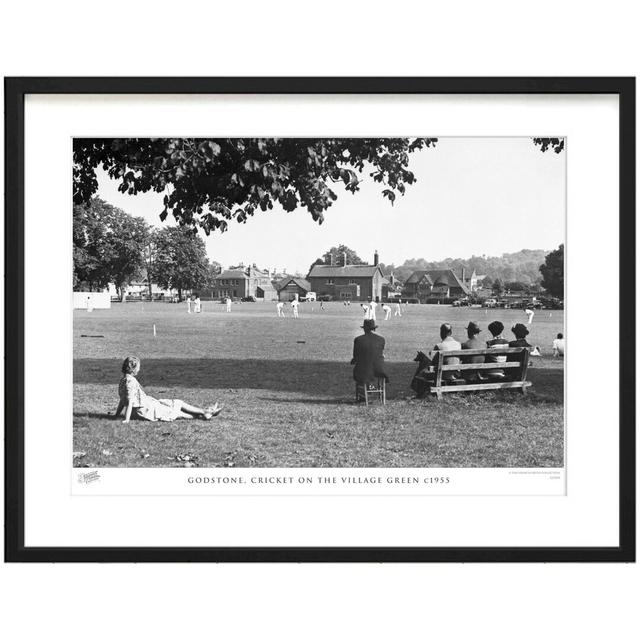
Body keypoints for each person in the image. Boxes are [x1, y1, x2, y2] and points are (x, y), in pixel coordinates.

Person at [116, 356, 222, 423]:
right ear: (133, 369)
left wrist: (116, 415)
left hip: (145, 406)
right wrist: (127, 419)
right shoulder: (131, 382)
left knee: (176, 403)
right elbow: (129, 402)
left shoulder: (123, 380)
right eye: (138, 367)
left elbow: (122, 400)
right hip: (144, 410)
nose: (139, 369)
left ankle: (205, 412)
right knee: (174, 412)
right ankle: (204, 414)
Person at [351, 319, 389, 392]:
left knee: (361, 370)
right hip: (379, 369)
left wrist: (354, 360)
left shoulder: (358, 340)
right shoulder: (381, 339)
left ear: (364, 329)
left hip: (364, 370)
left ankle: (364, 393)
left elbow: (355, 356)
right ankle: (371, 386)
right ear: (374, 328)